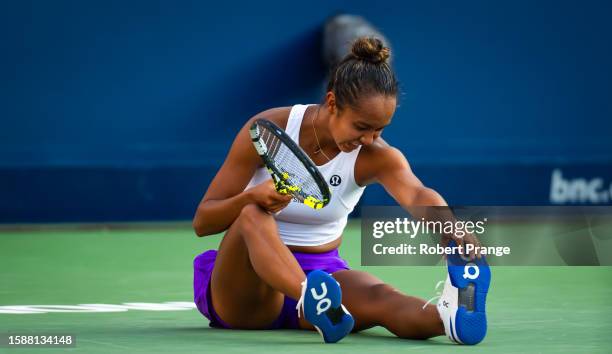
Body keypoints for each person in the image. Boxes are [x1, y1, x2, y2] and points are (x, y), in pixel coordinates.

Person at [192, 37, 490, 345]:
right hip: (248, 285)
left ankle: (451, 316)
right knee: (253, 215)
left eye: (380, 130)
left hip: (323, 275)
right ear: (332, 103)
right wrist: (251, 197)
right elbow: (203, 222)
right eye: (362, 127)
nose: (370, 139)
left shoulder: (377, 155)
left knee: (383, 298)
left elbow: (416, 194)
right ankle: (311, 298)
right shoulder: (269, 129)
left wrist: (450, 227)